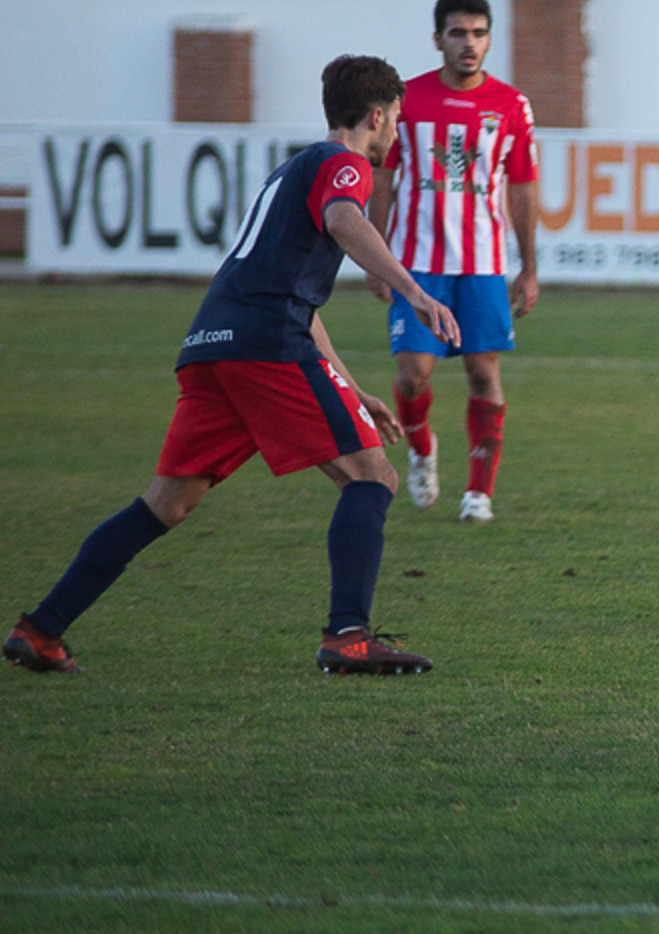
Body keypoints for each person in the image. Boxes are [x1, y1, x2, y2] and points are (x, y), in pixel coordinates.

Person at [4, 56, 461, 677]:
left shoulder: (291, 172)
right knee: (373, 477)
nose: (393, 135)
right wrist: (415, 290)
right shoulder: (345, 165)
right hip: (266, 347)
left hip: (213, 346)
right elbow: (343, 220)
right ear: (376, 115)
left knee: (164, 504)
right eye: (395, 121)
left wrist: (354, 390)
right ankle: (348, 636)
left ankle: (41, 630)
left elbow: (296, 294)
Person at [366, 0, 540, 524]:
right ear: (438, 38)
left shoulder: (511, 105)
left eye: (479, 33)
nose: (470, 44)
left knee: (483, 374)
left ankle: (478, 493)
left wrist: (529, 268)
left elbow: (523, 188)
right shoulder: (408, 101)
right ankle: (421, 449)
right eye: (459, 33)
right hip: (417, 261)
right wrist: (378, 256)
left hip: (483, 265)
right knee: (414, 373)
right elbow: (384, 178)